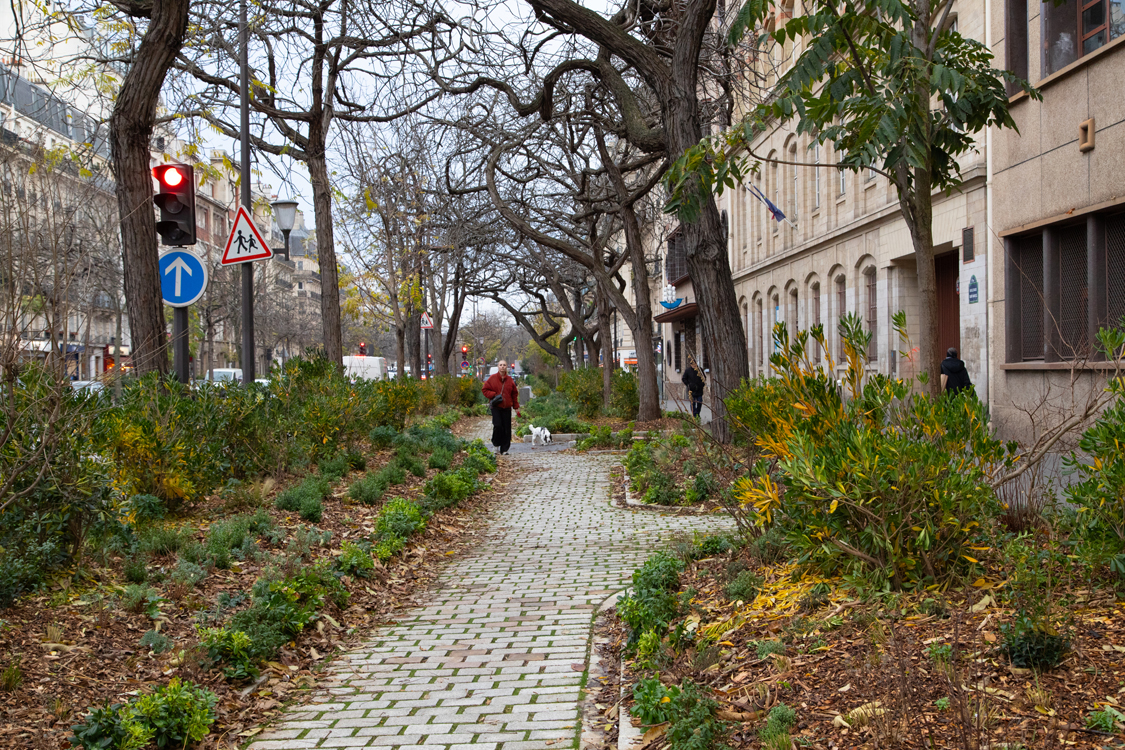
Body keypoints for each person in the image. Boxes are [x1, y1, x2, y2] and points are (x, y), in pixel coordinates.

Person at [482, 359, 521, 455]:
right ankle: (496, 445)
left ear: (506, 367)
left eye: (504, 365)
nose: (502, 366)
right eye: (500, 365)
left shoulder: (510, 380)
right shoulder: (492, 378)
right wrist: (493, 395)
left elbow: (514, 394)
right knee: (498, 425)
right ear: (498, 367)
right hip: (496, 407)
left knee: (507, 429)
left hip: (507, 408)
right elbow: (485, 389)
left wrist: (516, 407)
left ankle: (504, 449)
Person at [681, 354, 706, 418]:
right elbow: (684, 378)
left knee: (699, 402)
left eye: (695, 364)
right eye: (692, 365)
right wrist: (688, 385)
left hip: (699, 389)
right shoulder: (688, 371)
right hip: (691, 390)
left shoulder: (700, 370)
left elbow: (704, 378)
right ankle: (694, 414)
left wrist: (702, 384)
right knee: (693, 403)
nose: (694, 366)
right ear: (691, 365)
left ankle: (697, 413)